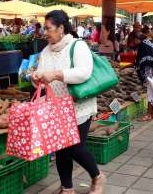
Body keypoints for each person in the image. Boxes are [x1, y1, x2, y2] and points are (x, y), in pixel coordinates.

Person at [31, 10, 104, 194]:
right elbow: (41, 74)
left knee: (75, 147)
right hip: (55, 107)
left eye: (48, 28)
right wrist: (36, 77)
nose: (44, 32)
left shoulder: (77, 46)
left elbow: (83, 72)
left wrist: (55, 75)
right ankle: (67, 188)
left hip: (79, 107)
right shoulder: (46, 51)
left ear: (61, 28)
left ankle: (97, 176)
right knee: (61, 149)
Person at [128, 32, 153, 122]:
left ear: (136, 39)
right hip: (152, 70)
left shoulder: (143, 45)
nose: (132, 44)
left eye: (132, 41)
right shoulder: (146, 42)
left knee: (152, 93)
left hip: (151, 71)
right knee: (152, 93)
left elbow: (149, 58)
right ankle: (152, 113)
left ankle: (149, 114)